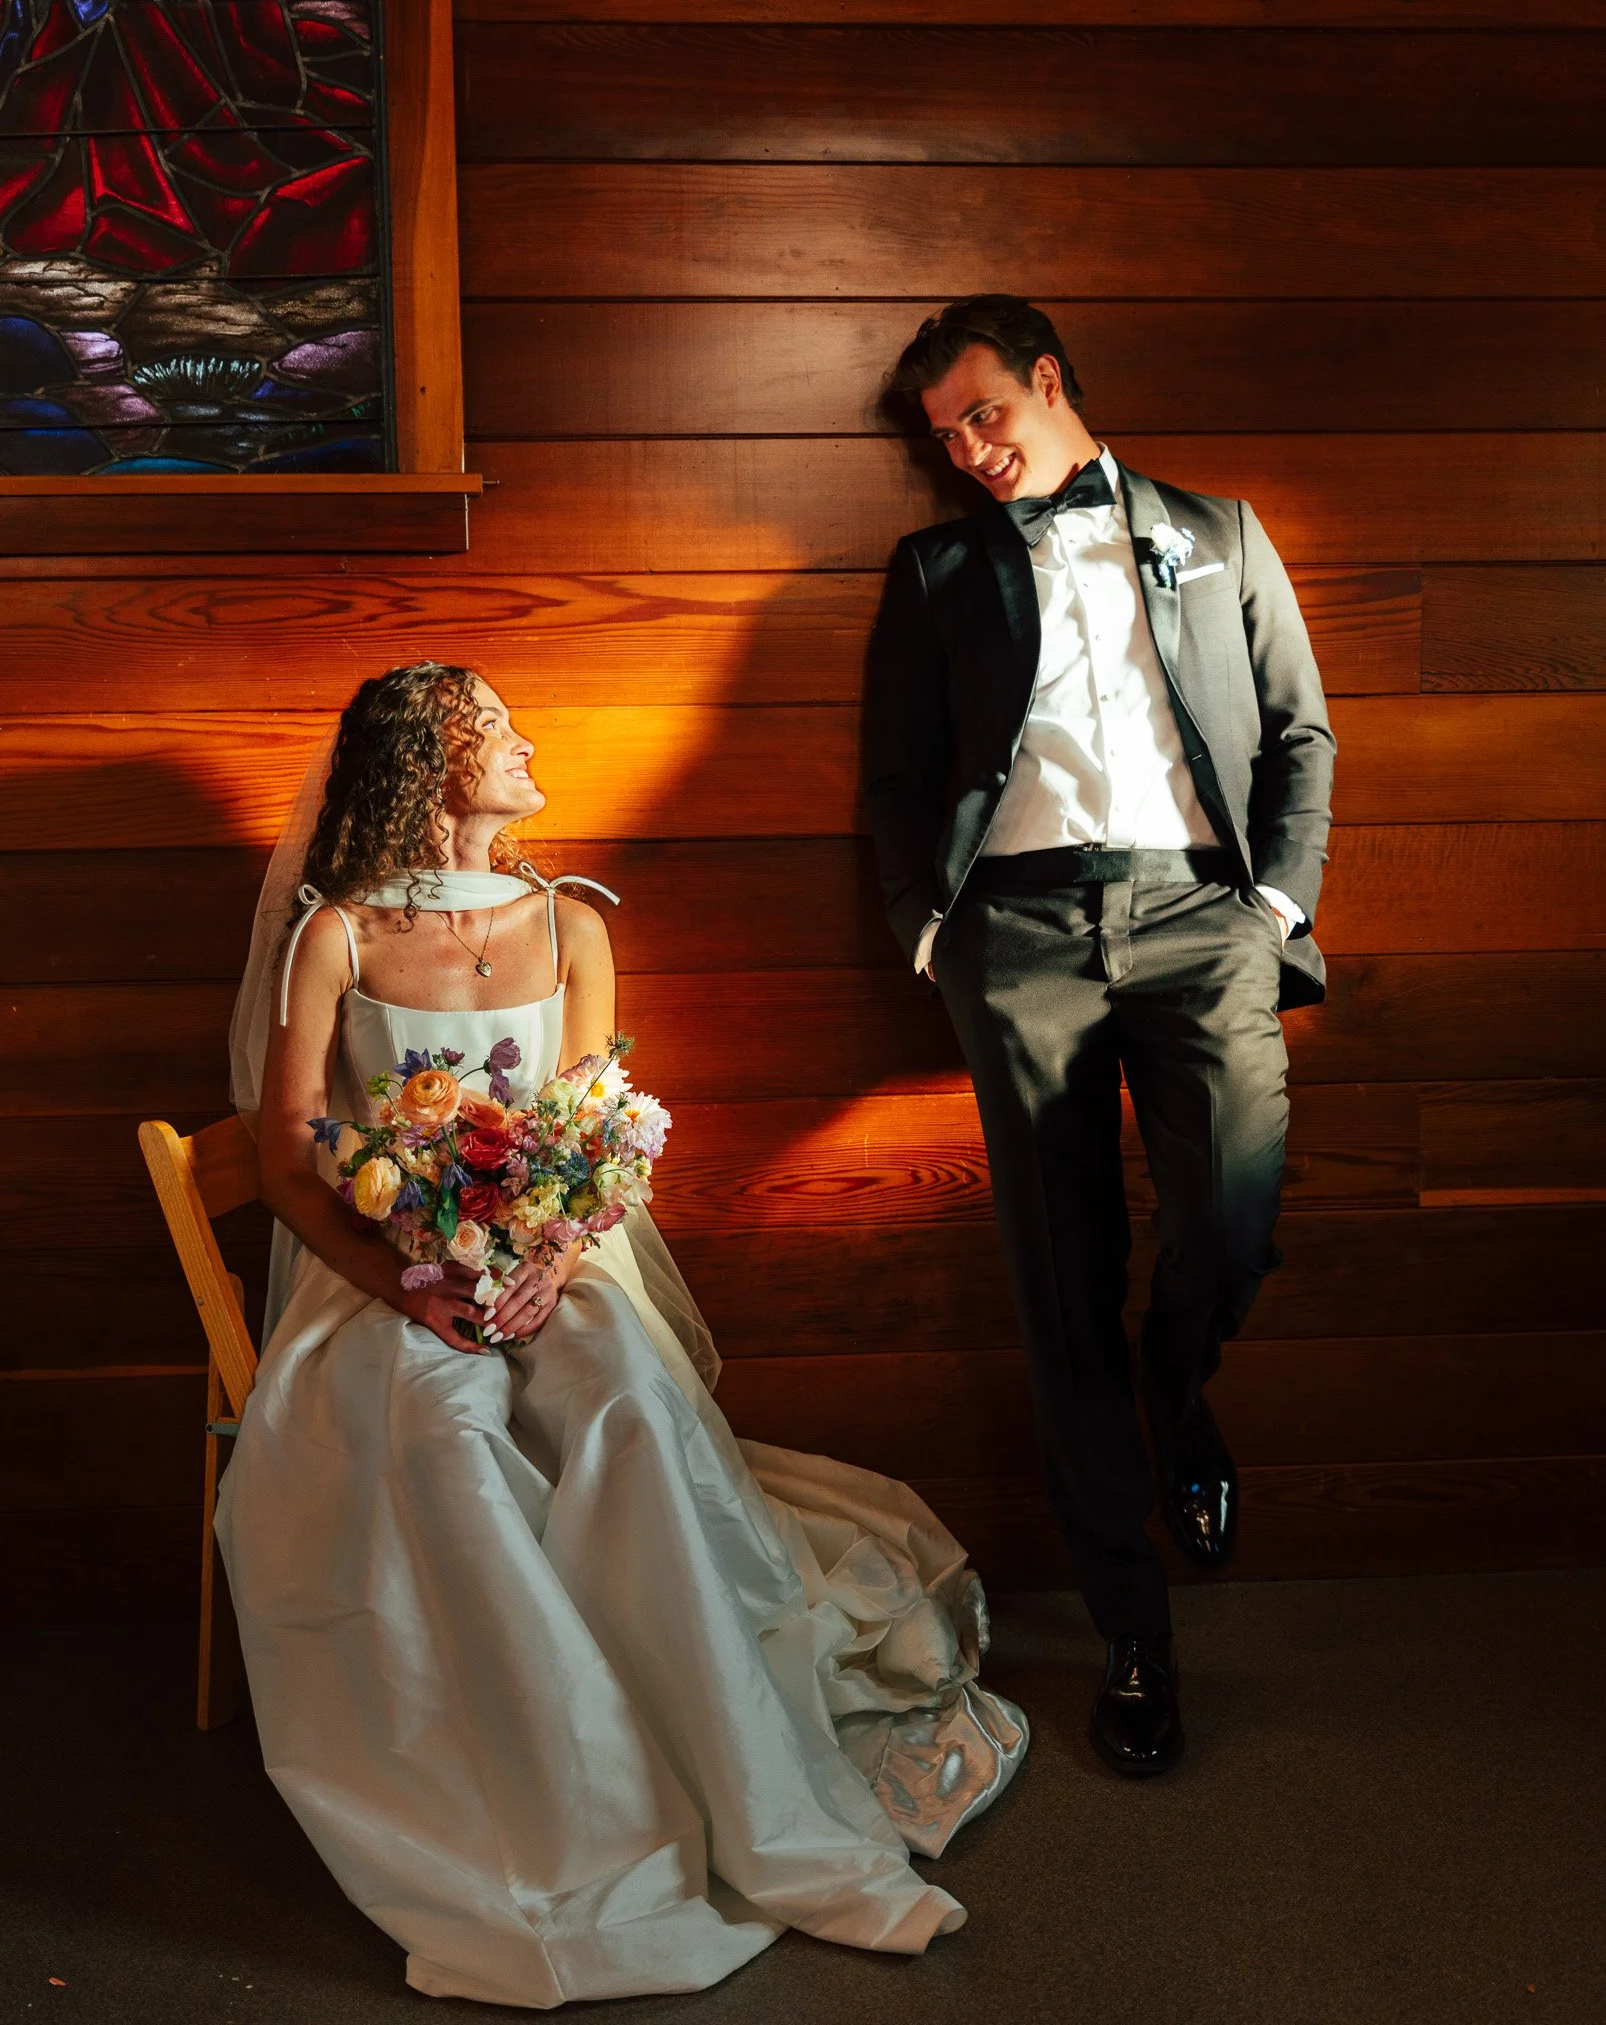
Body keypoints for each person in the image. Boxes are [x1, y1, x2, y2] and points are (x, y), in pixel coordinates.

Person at [217, 662, 1027, 2009]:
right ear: (426, 767)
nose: (530, 747)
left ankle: (729, 1778)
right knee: (444, 1431)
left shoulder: (567, 921)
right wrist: (406, 1274)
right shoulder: (337, 933)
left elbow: (590, 1139)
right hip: (383, 1277)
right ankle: (550, 1811)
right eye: (497, 731)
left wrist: (542, 1260)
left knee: (631, 1408)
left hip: (547, 1263)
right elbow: (293, 1154)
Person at [863, 296, 1335, 1776]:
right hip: (1017, 937)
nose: (969, 451)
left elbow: (1299, 729)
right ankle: (1133, 1632)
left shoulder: (1222, 532)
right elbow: (891, 773)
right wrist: (931, 933)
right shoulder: (935, 567)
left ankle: (1177, 1393)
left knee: (1233, 1213)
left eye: (983, 413)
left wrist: (1271, 901)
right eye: (945, 437)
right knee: (1057, 1275)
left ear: (1046, 381)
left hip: (1204, 918)